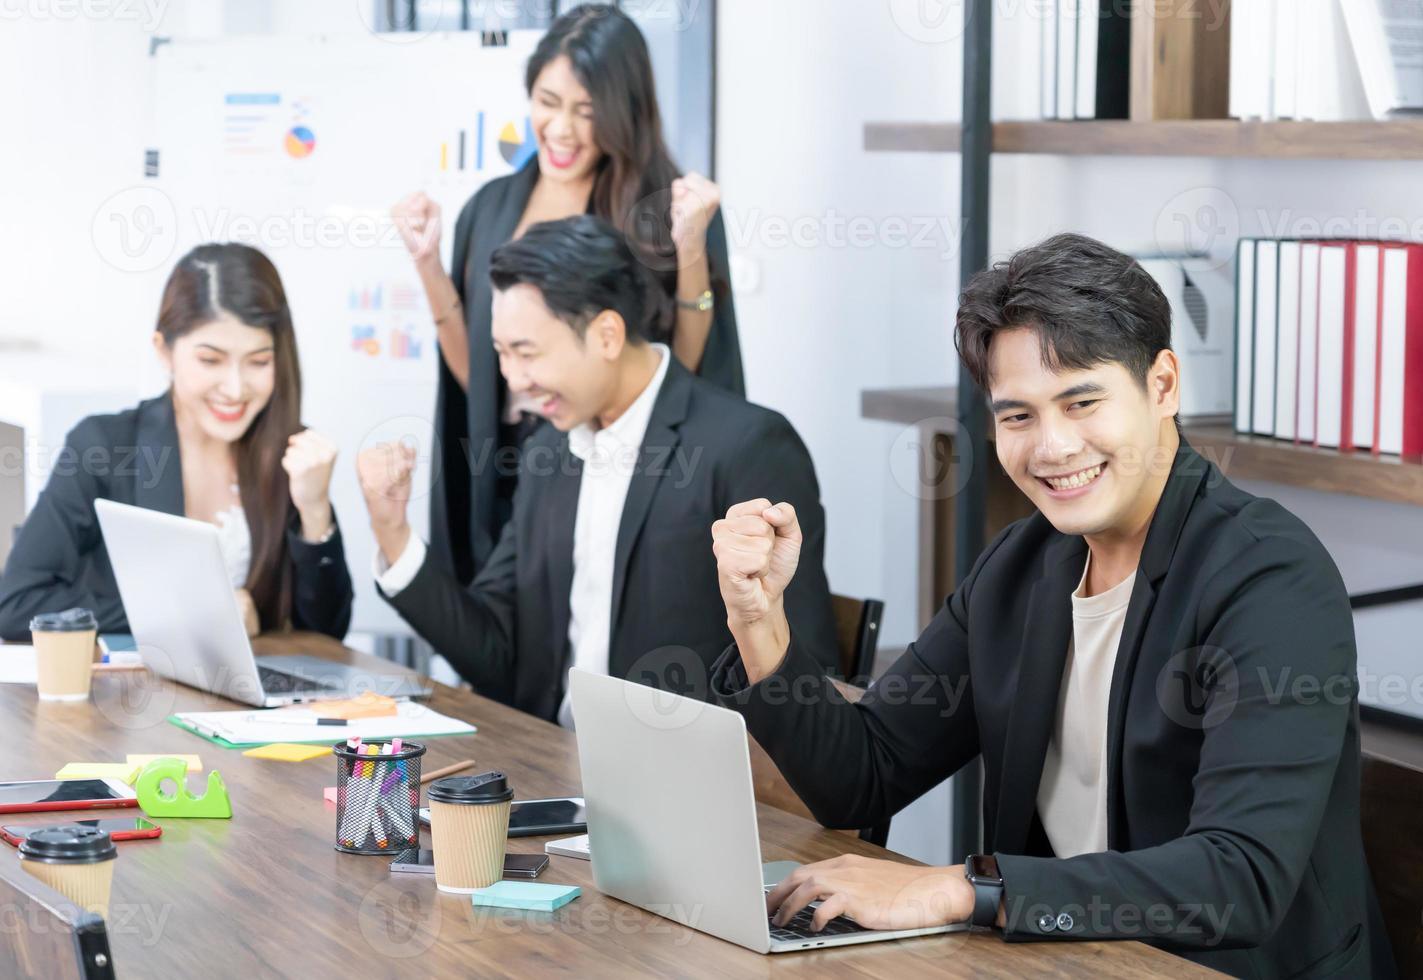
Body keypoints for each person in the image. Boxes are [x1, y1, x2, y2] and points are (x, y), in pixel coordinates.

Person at [707, 234, 1393, 978]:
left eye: (1082, 401)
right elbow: (863, 775)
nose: (1054, 446)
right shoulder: (1022, 565)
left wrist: (957, 889)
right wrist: (757, 616)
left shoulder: (1268, 576)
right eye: (1018, 416)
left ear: (1163, 385)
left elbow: (1238, 880)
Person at [357, 216, 831, 725]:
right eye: (501, 353)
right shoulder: (550, 453)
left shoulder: (745, 446)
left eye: (527, 353)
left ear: (607, 334)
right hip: (551, 768)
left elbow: (803, 674)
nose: (514, 380)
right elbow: (496, 654)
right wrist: (394, 535)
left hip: (682, 780)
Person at [391, 3, 743, 589]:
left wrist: (689, 253)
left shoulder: (666, 210)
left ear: (624, 114)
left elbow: (686, 368)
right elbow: (478, 378)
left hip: (616, 479)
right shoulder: (491, 208)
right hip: (505, 473)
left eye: (588, 111)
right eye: (548, 102)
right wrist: (428, 265)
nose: (562, 130)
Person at [0, 244, 353, 642]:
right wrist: (191, 612)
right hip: (136, 698)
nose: (236, 389)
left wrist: (315, 511)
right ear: (164, 351)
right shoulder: (104, 447)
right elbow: (16, 605)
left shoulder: (290, 455)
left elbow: (327, 635)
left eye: (258, 362)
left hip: (259, 696)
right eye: (210, 360)